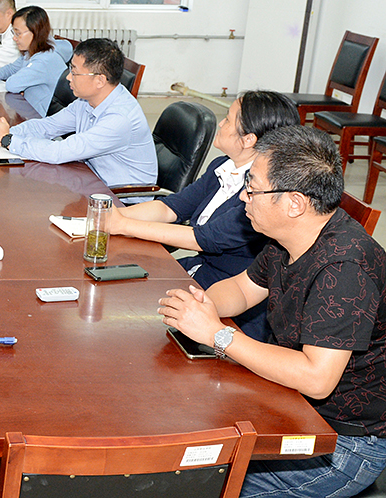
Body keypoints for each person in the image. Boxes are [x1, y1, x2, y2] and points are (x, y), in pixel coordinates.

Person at [159, 125, 386, 498]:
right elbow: (241, 289)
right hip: (290, 403)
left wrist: (217, 334)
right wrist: (202, 308)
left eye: (252, 187)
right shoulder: (291, 238)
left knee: (194, 484)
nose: (243, 196)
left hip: (340, 443)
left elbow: (316, 378)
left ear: (294, 203)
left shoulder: (345, 270)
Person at [107, 91, 298, 340]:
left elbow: (204, 238)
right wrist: (113, 215)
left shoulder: (261, 195)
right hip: (199, 274)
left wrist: (123, 225)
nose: (221, 123)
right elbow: (172, 207)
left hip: (233, 302)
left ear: (248, 139)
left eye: (228, 119)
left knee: (131, 323)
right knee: (120, 293)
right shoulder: (223, 166)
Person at [0, 38, 156, 190]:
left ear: (100, 80)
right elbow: (48, 126)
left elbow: (60, 152)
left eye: (75, 72)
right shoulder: (87, 101)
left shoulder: (119, 119)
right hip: (90, 179)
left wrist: (7, 140)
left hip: (120, 199)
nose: (68, 77)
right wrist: (1, 131)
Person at [0, 6, 70, 117]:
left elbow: (12, 84)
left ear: (35, 32)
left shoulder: (44, 60)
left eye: (18, 33)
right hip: (30, 109)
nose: (14, 38)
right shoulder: (31, 52)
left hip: (42, 117)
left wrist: (22, 83)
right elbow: (12, 68)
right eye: (14, 33)